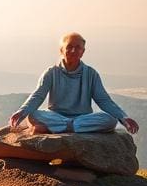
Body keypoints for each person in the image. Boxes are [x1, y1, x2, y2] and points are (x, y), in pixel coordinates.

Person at [9, 32, 139, 135]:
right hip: (56, 116)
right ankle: (71, 127)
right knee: (32, 115)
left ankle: (59, 128)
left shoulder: (91, 74)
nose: (73, 51)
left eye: (78, 47)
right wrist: (22, 112)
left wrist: (123, 118)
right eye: (69, 47)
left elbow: (103, 100)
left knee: (110, 120)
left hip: (82, 117)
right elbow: (38, 96)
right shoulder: (51, 72)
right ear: (61, 50)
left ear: (83, 51)